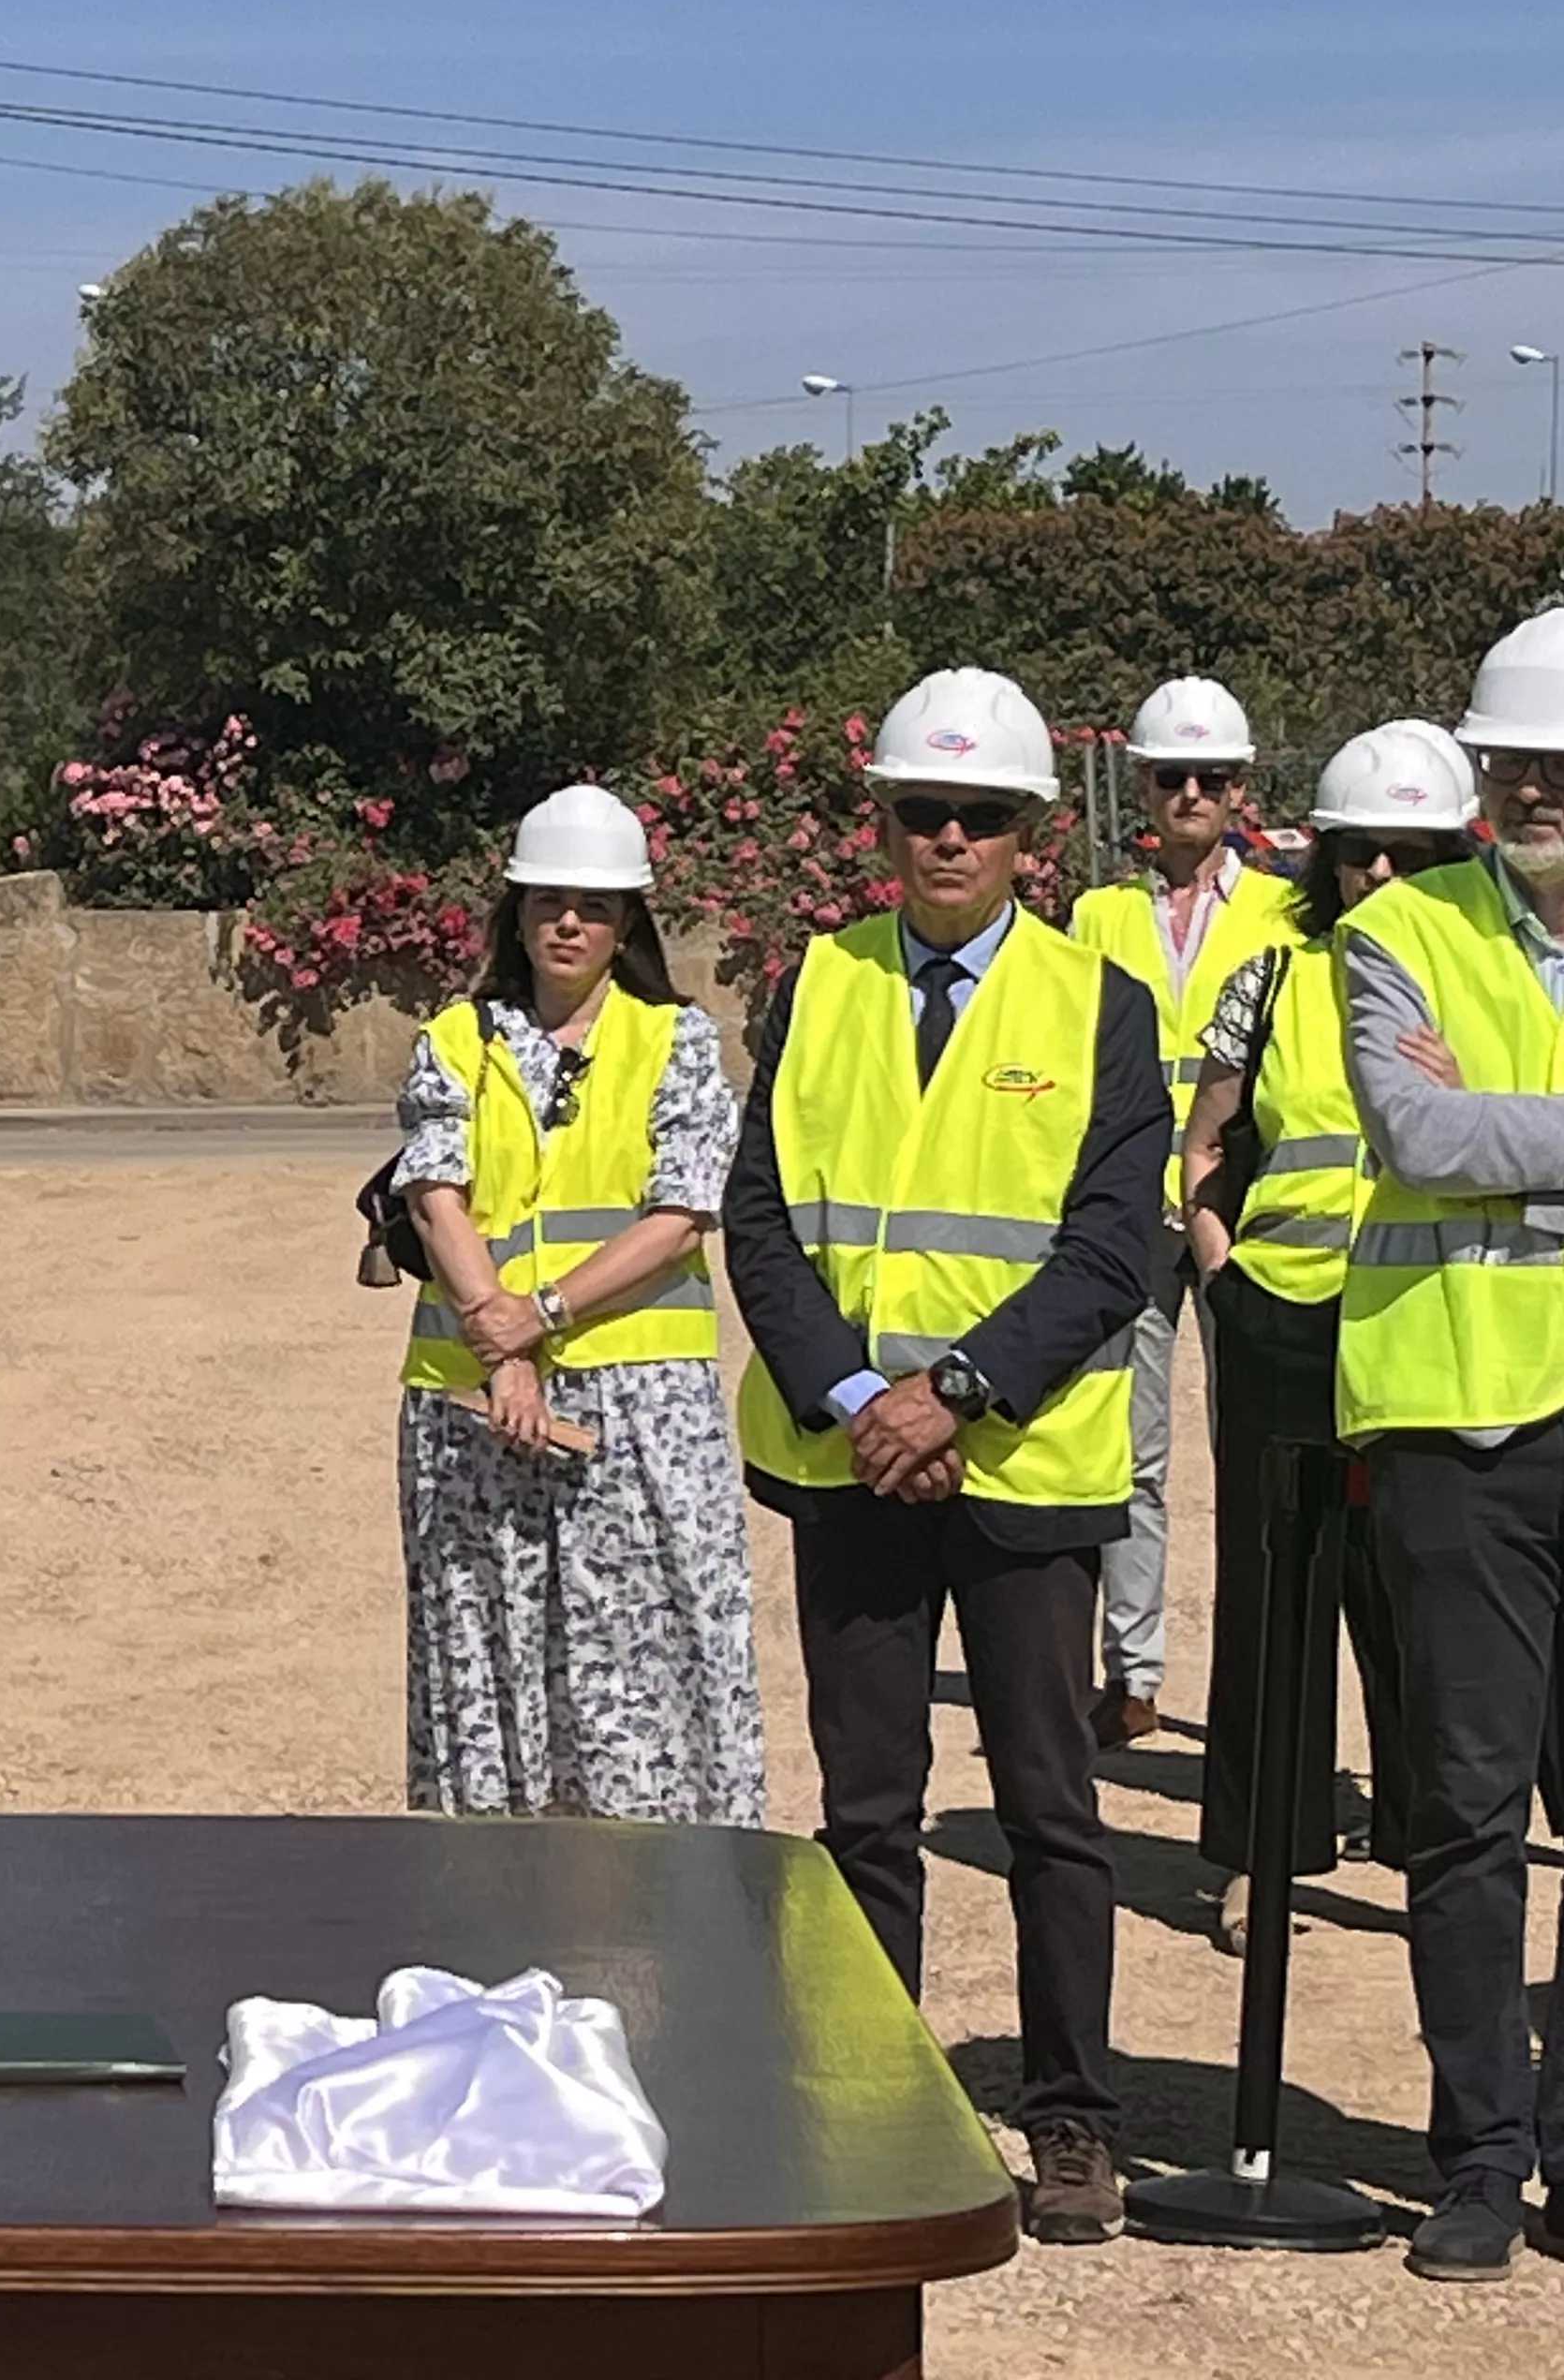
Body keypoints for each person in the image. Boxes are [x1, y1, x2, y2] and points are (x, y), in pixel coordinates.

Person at [725, 666, 1164, 2245]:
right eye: (922, 810)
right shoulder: (817, 979)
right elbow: (760, 1216)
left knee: (1050, 1805)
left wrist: (955, 1390)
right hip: (855, 1460)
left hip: (1021, 1467)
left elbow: (1113, 1242)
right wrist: (858, 1393)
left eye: (981, 814)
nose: (949, 837)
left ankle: (1070, 2119)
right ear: (883, 821)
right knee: (867, 1806)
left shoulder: (1095, 1000)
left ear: (1031, 832)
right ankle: (871, 2098)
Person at [1333, 605, 1564, 2284]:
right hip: (1452, 1414)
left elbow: (1466, 1134)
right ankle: (1475, 2151)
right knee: (1461, 1813)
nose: (1533, 789)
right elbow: (1411, 1132)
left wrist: (1506, 1145)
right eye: (1510, 760)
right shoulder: (1401, 925)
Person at [390, 783, 763, 1826]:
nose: (568, 922)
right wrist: (500, 1342)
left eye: (593, 906)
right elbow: (435, 1192)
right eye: (549, 899)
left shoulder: (677, 1042)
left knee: (647, 1661)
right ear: (514, 910)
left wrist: (539, 1314)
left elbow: (683, 1212)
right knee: (487, 1649)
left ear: (627, 923)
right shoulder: (456, 1040)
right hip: (476, 1410)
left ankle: (662, 1901)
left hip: (641, 1408)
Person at [1176, 722, 1475, 1956]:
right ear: (1333, 860)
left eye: (1414, 855)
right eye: (1365, 856)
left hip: (1430, 1322)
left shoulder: (1485, 978)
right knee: (1270, 1598)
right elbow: (1205, 1145)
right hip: (1282, 1325)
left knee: (1425, 1589)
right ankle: (1263, 1860)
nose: (1385, 880)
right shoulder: (1274, 978)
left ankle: (1433, 1846)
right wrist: (1220, 1269)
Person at [1066, 676, 1303, 1749]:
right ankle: (1136, 1673)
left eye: (1212, 778)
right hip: (1128, 1202)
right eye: (1172, 777)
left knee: (1248, 1447)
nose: (1192, 794)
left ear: (1241, 789)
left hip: (1236, 1202)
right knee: (1133, 1446)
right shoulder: (1096, 915)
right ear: (1143, 788)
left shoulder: (1284, 910)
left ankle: (1260, 1690)